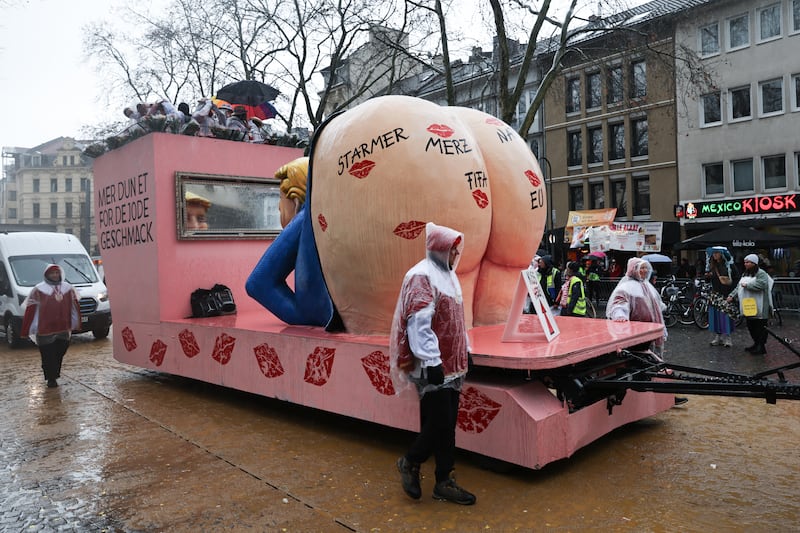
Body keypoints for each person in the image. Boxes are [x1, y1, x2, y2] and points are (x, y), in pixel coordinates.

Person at [391, 222, 476, 506]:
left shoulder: (448, 276)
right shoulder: (422, 275)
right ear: (441, 249)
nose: (455, 256)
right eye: (452, 251)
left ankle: (443, 480)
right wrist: (432, 360)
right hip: (433, 366)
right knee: (441, 421)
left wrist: (466, 349)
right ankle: (411, 462)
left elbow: (456, 319)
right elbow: (419, 323)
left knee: (444, 421)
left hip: (451, 364)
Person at [20, 265, 81, 388]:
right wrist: (28, 328)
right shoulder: (38, 289)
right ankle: (51, 379)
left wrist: (76, 323)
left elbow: (75, 306)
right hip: (45, 328)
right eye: (52, 273)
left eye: (56, 273)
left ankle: (53, 373)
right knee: (48, 354)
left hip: (63, 327)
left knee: (59, 353)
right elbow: (31, 309)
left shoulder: (68, 288)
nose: (54, 275)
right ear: (46, 275)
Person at [606, 257, 667, 356]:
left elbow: (654, 302)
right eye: (641, 268)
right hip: (638, 331)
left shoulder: (646, 285)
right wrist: (620, 315)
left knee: (652, 355)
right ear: (633, 269)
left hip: (651, 328)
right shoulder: (626, 287)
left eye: (646, 268)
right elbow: (618, 303)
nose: (645, 270)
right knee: (641, 355)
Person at [727, 254, 773, 355]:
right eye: (745, 262)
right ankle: (756, 344)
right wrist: (732, 296)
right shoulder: (745, 273)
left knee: (760, 327)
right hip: (749, 305)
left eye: (748, 262)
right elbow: (739, 286)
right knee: (751, 325)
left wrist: (748, 285)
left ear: (754, 263)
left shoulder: (761, 273)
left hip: (761, 306)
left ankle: (761, 346)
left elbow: (762, 284)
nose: (746, 264)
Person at [705, 246, 736, 347]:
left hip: (726, 294)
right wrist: (707, 277)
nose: (714, 255)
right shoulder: (712, 266)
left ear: (722, 254)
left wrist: (732, 295)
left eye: (717, 253)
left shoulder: (729, 266)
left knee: (726, 316)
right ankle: (717, 336)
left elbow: (736, 279)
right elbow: (709, 280)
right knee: (715, 317)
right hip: (715, 294)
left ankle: (727, 337)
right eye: (713, 253)